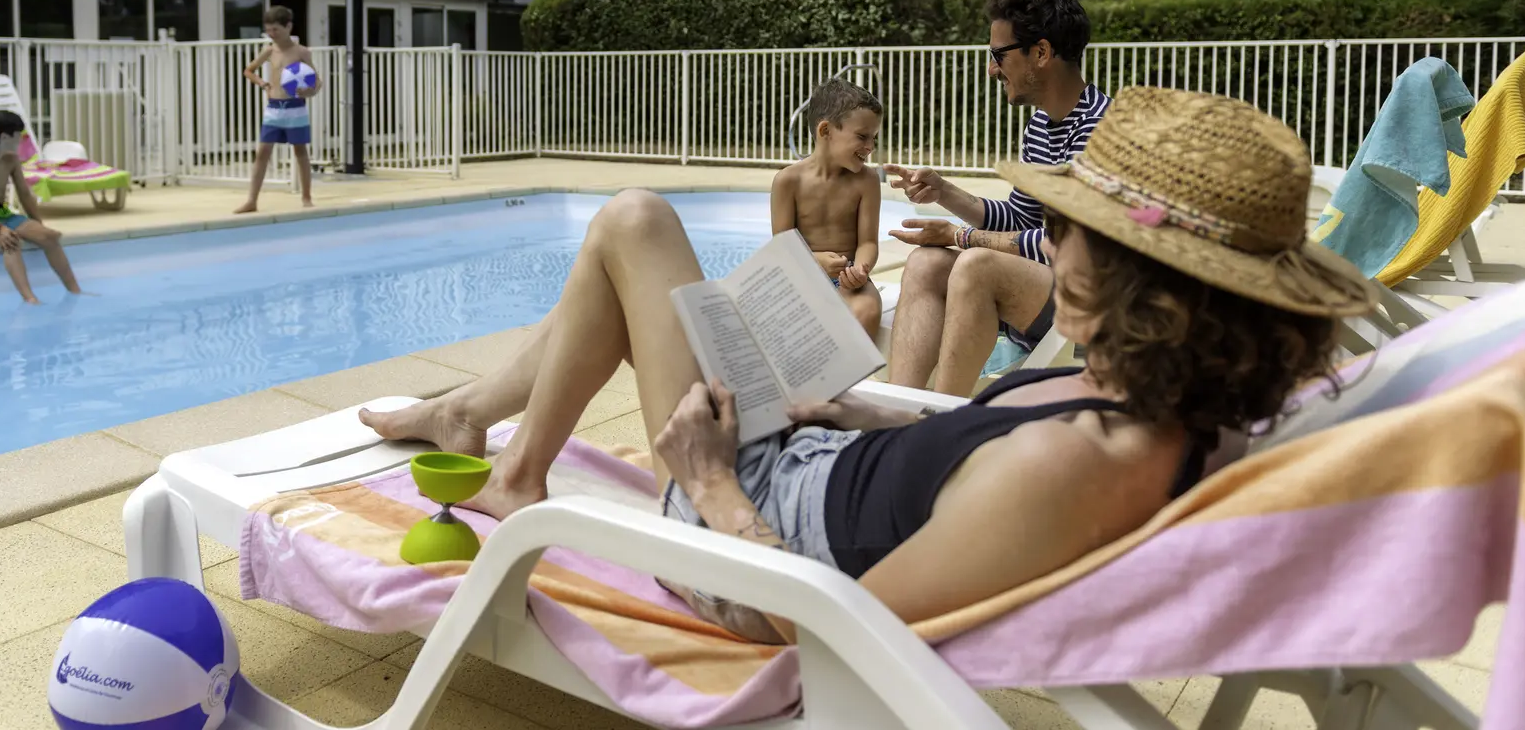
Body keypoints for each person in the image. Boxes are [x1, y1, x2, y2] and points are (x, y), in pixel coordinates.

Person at [359, 88, 1375, 642]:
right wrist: (860, 418)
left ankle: (510, 461)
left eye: (1072, 232)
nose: (1052, 250)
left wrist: (710, 477)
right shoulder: (1147, 402)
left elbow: (829, 625)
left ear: (1146, 282)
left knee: (633, 226)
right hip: (806, 463)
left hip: (752, 538)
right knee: (643, 270)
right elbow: (977, 459)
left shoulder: (1084, 466)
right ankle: (480, 424)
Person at [881, 0, 1111, 395]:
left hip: (1089, 303)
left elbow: (1071, 242)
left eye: (998, 55)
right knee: (926, 263)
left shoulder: (1101, 129)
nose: (992, 69)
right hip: (1041, 290)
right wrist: (945, 193)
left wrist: (962, 237)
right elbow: (1022, 219)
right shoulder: (1042, 123)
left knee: (975, 264)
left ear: (1040, 53)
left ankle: (939, 425)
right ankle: (901, 409)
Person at [770, 77, 883, 334]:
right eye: (862, 137)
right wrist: (815, 260)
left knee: (867, 309)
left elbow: (868, 242)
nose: (870, 147)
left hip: (848, 279)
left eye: (874, 138)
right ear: (826, 131)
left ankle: (852, 374)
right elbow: (782, 247)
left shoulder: (866, 181)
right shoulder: (789, 181)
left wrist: (860, 269)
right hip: (800, 275)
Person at [0, 109, 84, 304]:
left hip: (3, 213)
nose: (23, 140)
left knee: (50, 237)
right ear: (4, 137)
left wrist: (38, 225)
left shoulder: (11, 160)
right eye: (20, 135)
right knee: (11, 240)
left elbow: (25, 195)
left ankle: (75, 291)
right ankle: (30, 298)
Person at [236, 5, 322, 212]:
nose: (272, 34)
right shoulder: (268, 50)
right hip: (274, 107)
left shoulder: (301, 52)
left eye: (276, 29)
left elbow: (317, 81)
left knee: (300, 151)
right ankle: (252, 201)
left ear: (288, 27)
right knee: (262, 153)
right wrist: (263, 84)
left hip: (295, 107)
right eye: (269, 30)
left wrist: (310, 92)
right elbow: (248, 71)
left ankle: (306, 197)